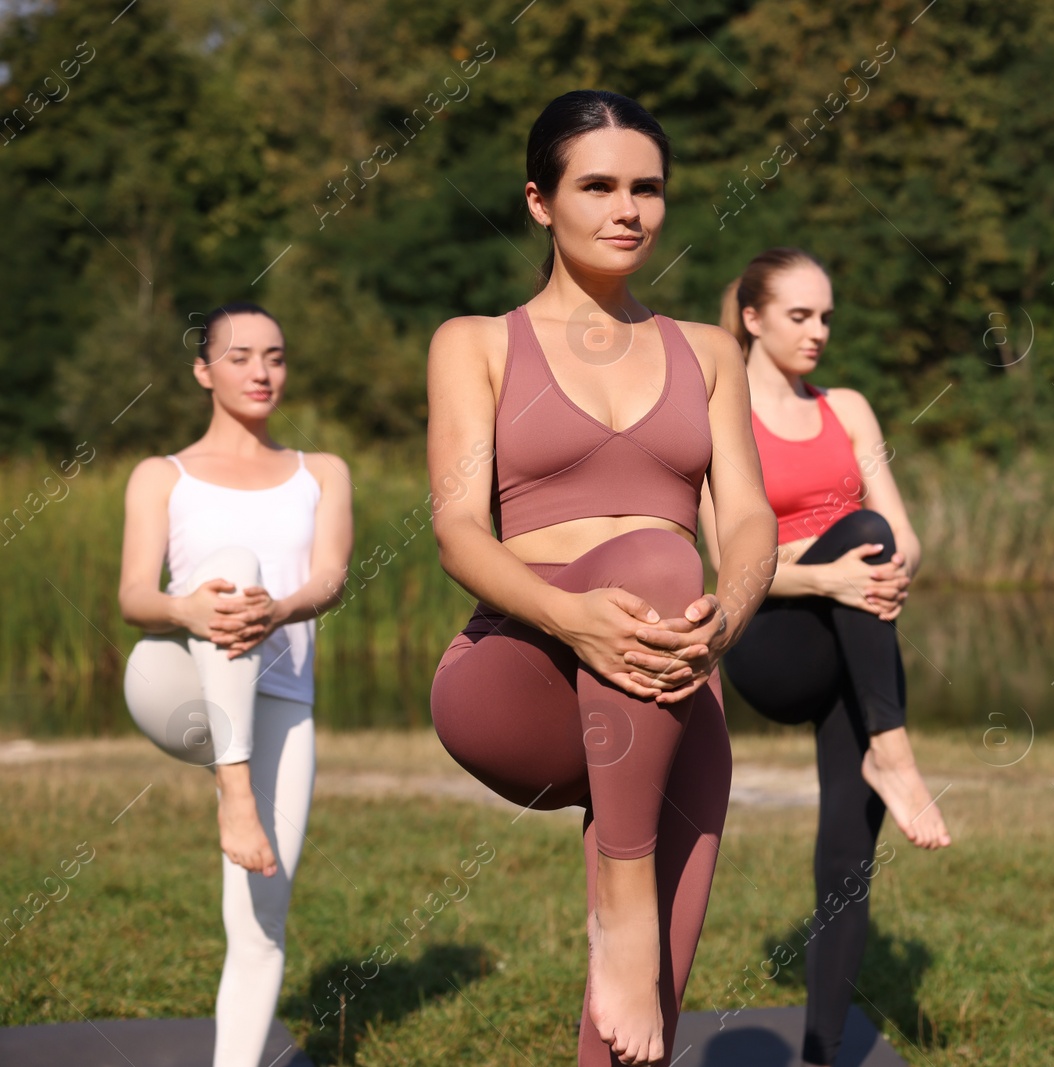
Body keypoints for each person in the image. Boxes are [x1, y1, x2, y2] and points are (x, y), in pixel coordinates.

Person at [426, 90, 777, 1066]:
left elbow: (747, 519)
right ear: (541, 201)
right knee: (662, 551)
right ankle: (616, 902)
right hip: (517, 670)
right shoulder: (477, 342)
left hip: (669, 677)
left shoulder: (709, 353)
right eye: (598, 186)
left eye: (647, 188)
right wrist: (575, 621)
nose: (628, 208)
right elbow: (459, 530)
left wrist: (727, 621)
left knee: (640, 1024)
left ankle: (631, 942)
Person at [706, 247, 951, 1067]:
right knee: (862, 535)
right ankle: (897, 750)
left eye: (827, 317)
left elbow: (903, 534)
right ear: (752, 317)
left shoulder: (848, 407)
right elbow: (726, 564)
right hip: (770, 642)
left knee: (848, 859)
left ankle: (820, 1050)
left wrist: (880, 577)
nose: (819, 333)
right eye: (800, 316)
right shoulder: (719, 412)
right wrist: (835, 575)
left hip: (854, 637)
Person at [118, 302, 353, 1067]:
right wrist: (189, 603)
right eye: (242, 356)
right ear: (204, 369)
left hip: (282, 698)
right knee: (235, 567)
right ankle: (235, 790)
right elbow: (133, 597)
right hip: (176, 683)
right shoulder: (164, 475)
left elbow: (330, 578)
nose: (261, 372)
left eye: (276, 357)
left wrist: (277, 609)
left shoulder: (322, 472)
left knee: (260, 919)